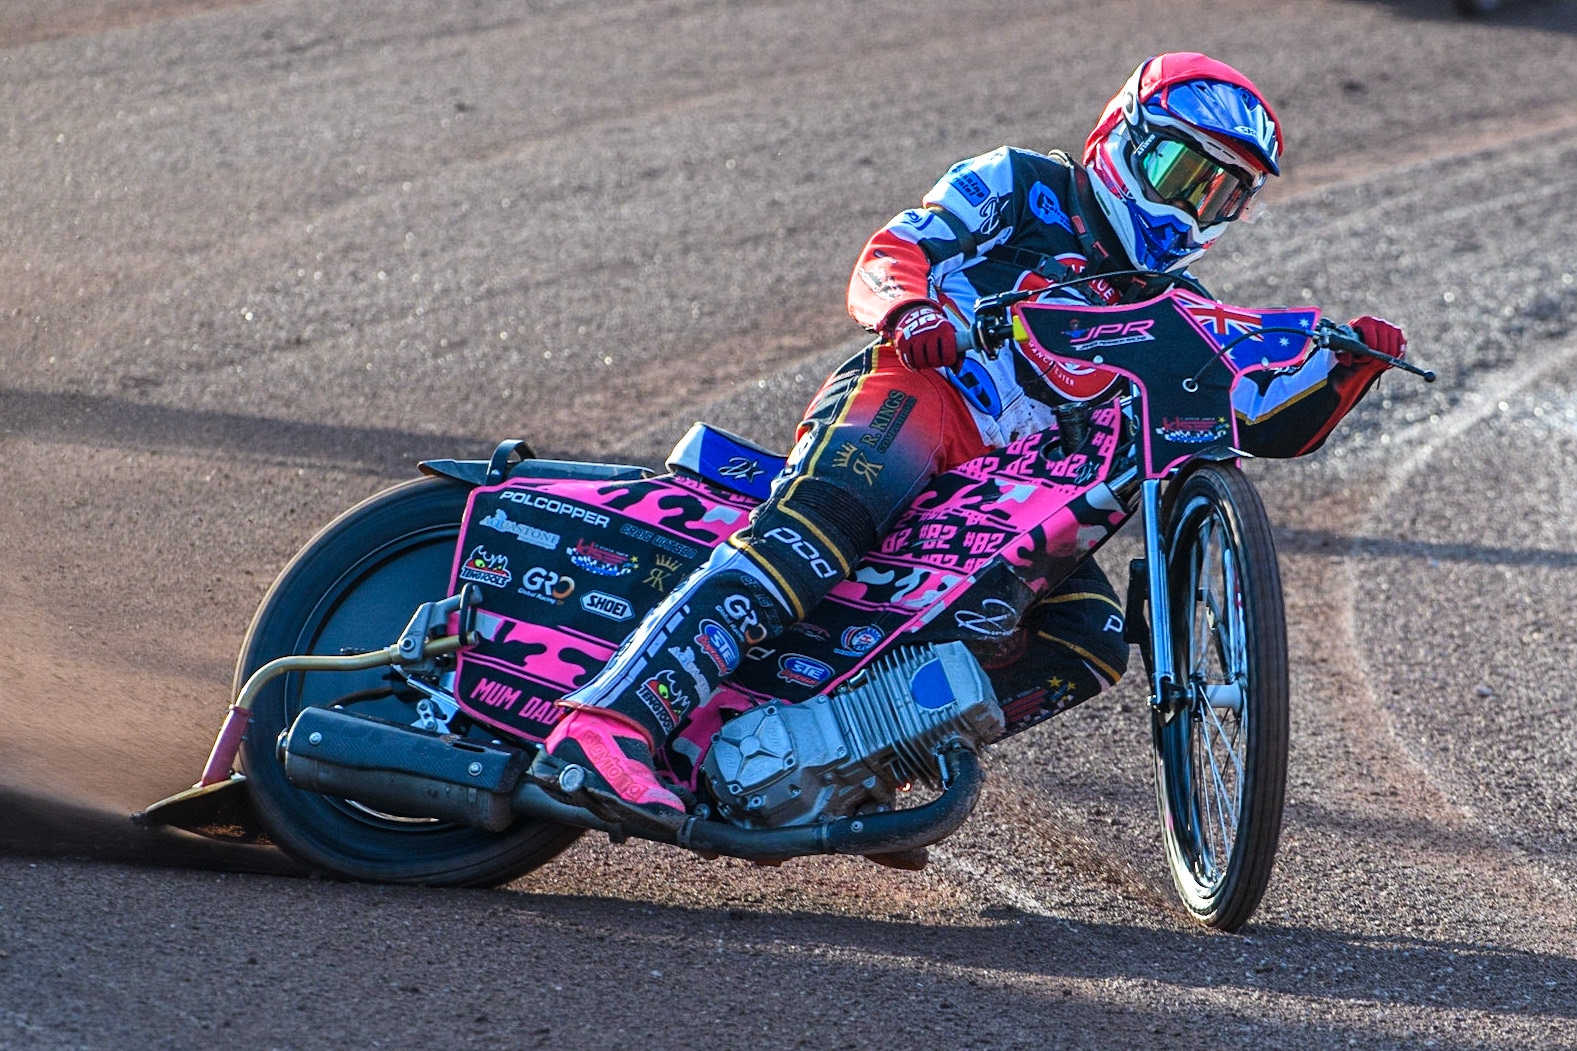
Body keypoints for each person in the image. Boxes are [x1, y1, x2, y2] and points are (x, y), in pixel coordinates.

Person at [534, 52, 1406, 831]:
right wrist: (910, 311)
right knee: (817, 529)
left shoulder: (1175, 304)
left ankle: (845, 770)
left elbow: (1255, 423)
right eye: (1181, 169)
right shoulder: (1019, 181)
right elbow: (890, 251)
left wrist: (1344, 371)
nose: (1191, 203)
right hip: (920, 395)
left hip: (1017, 485)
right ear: (1121, 135)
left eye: (1221, 193)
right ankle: (603, 725)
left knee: (1089, 639)